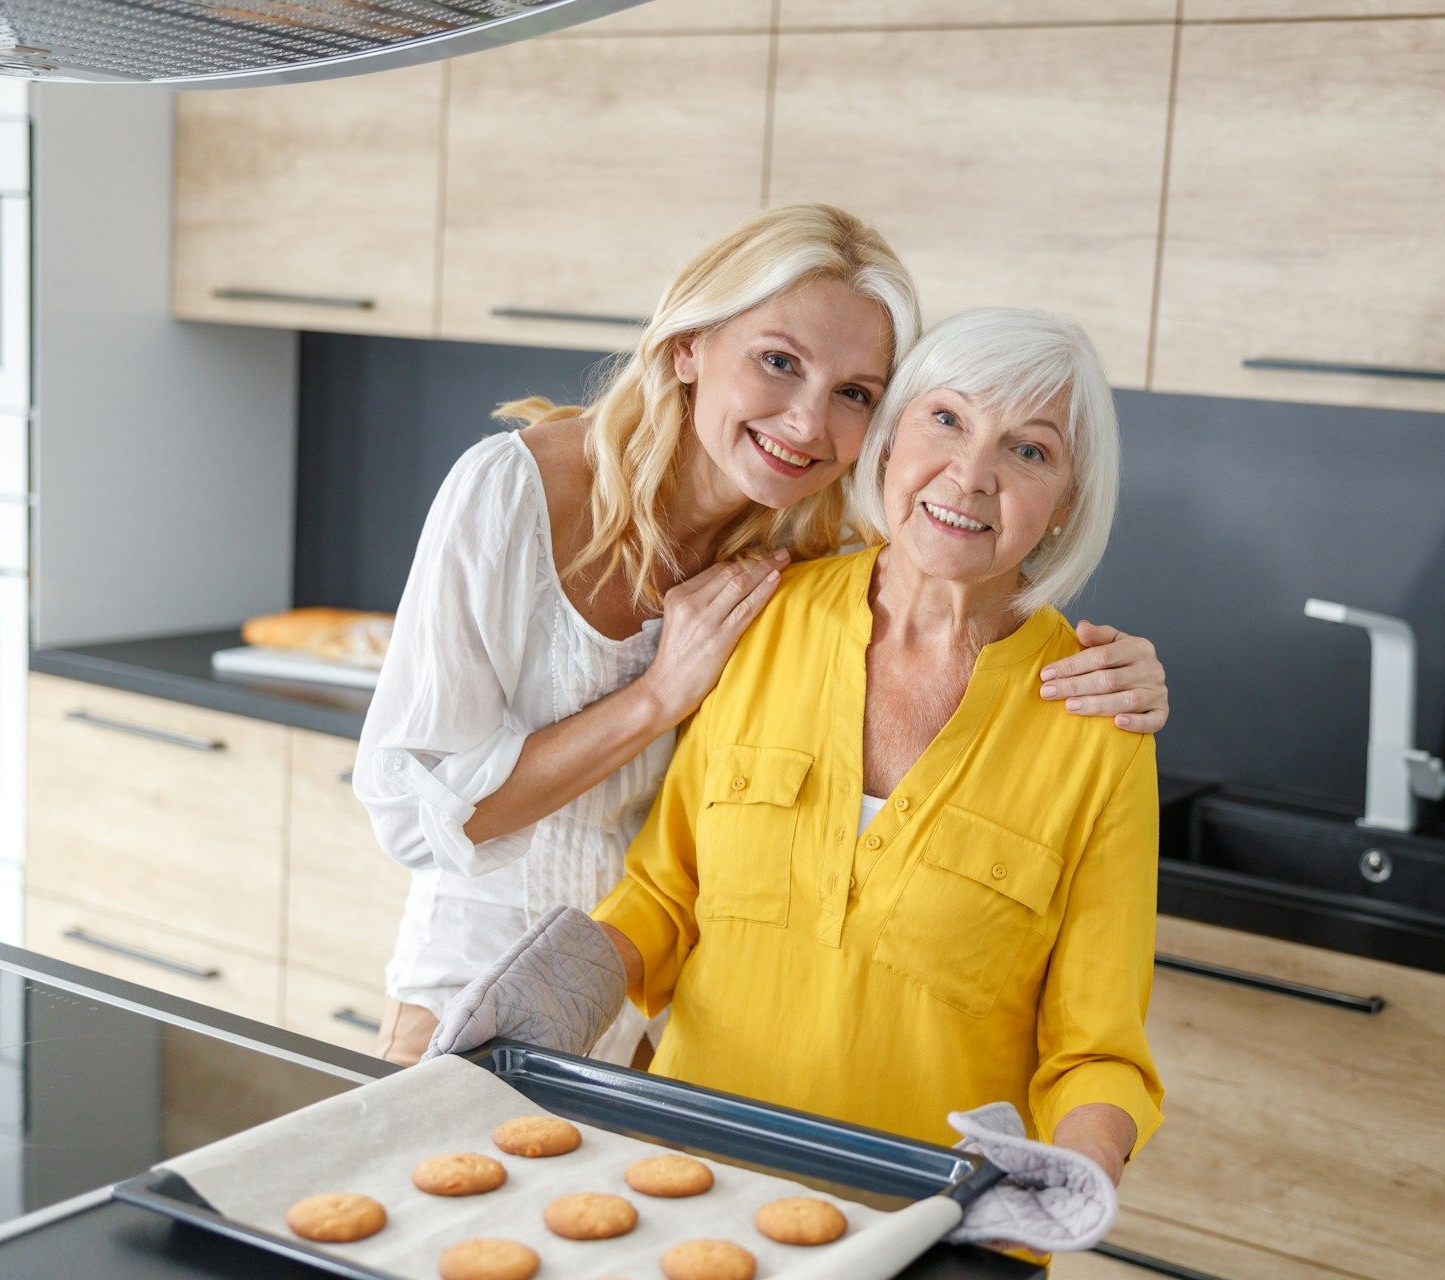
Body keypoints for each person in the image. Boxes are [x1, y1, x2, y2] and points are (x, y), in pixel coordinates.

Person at [355, 205, 1172, 1067]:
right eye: (779, 363)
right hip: (477, 992)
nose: (810, 424)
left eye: (853, 394)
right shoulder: (514, 494)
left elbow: (971, 556)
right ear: (689, 345)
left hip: (659, 1028)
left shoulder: (815, 544)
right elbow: (415, 820)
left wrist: (1132, 670)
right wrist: (659, 695)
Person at [581, 308, 1163, 1183]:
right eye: (948, 419)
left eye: (1029, 451)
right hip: (692, 1187)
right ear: (889, 439)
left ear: (1064, 505)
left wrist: (1080, 1172)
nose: (970, 476)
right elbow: (664, 900)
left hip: (929, 1223)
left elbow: (1094, 1048)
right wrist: (548, 988)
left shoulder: (1097, 721)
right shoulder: (762, 617)